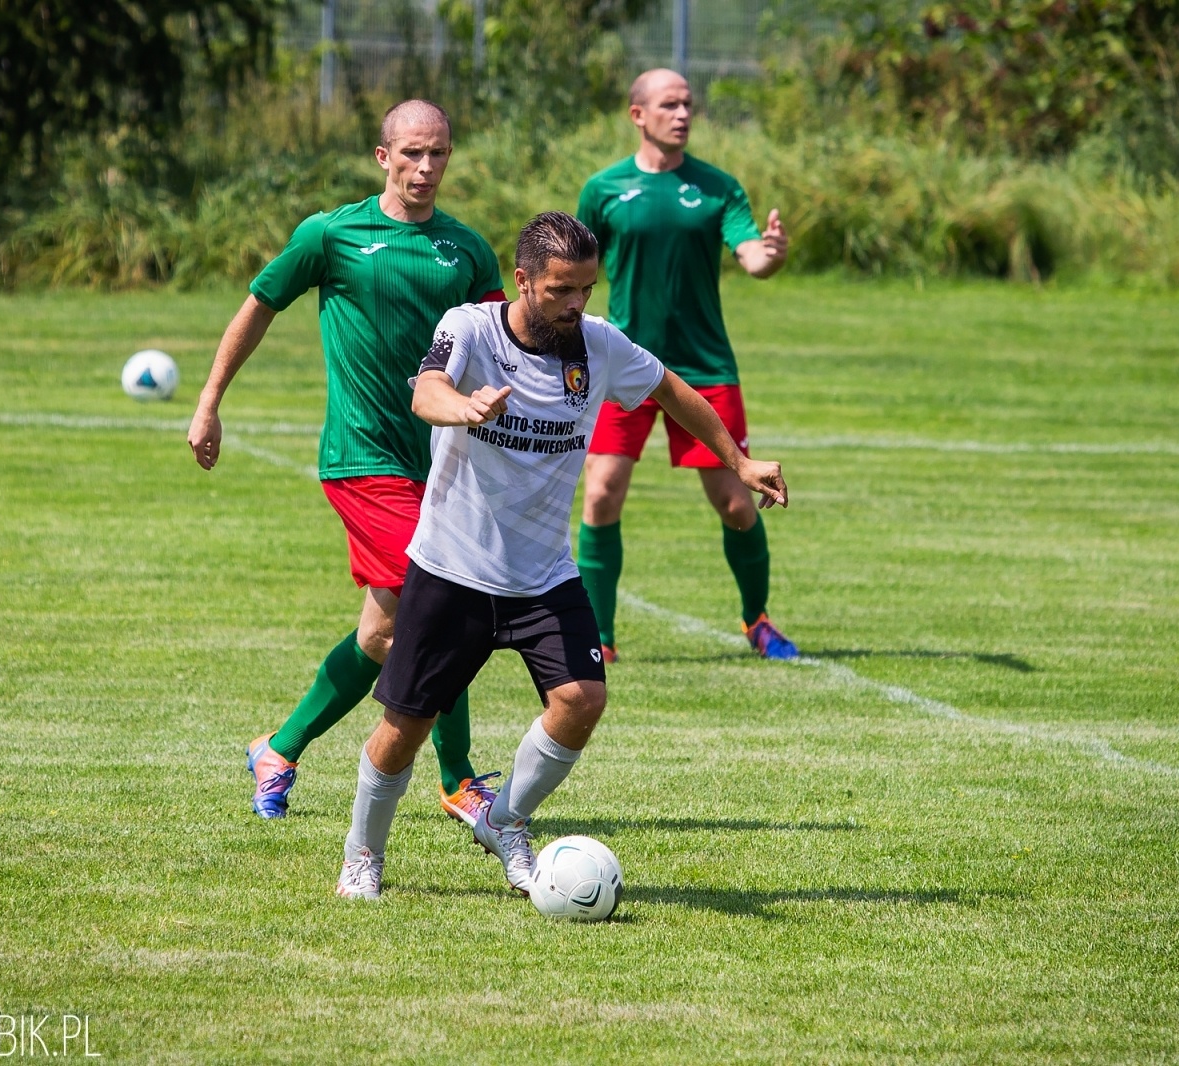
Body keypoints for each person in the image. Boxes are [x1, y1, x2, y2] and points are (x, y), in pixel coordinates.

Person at [335, 212, 789, 899]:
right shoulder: (470, 327)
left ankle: (505, 820)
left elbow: (672, 390)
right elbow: (426, 390)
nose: (576, 303)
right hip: (453, 567)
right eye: (559, 290)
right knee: (406, 728)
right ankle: (363, 855)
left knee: (582, 700)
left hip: (544, 574)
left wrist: (739, 461)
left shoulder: (599, 344)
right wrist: (462, 407)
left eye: (585, 288)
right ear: (522, 281)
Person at [187, 100, 504, 823]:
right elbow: (258, 306)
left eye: (439, 155)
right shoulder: (331, 233)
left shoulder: (466, 249)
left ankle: (280, 748)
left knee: (382, 633)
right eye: (413, 153)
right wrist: (209, 402)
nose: (426, 168)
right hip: (362, 459)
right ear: (382, 156)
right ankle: (456, 779)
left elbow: (498, 343)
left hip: (445, 463)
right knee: (442, 604)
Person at [575, 68, 798, 664]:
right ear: (637, 115)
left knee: (734, 500)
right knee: (600, 496)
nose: (682, 114)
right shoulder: (603, 190)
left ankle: (758, 621)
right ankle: (599, 638)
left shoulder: (718, 188)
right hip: (623, 367)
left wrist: (770, 256)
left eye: (688, 105)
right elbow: (576, 273)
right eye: (669, 104)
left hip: (704, 369)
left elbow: (752, 256)